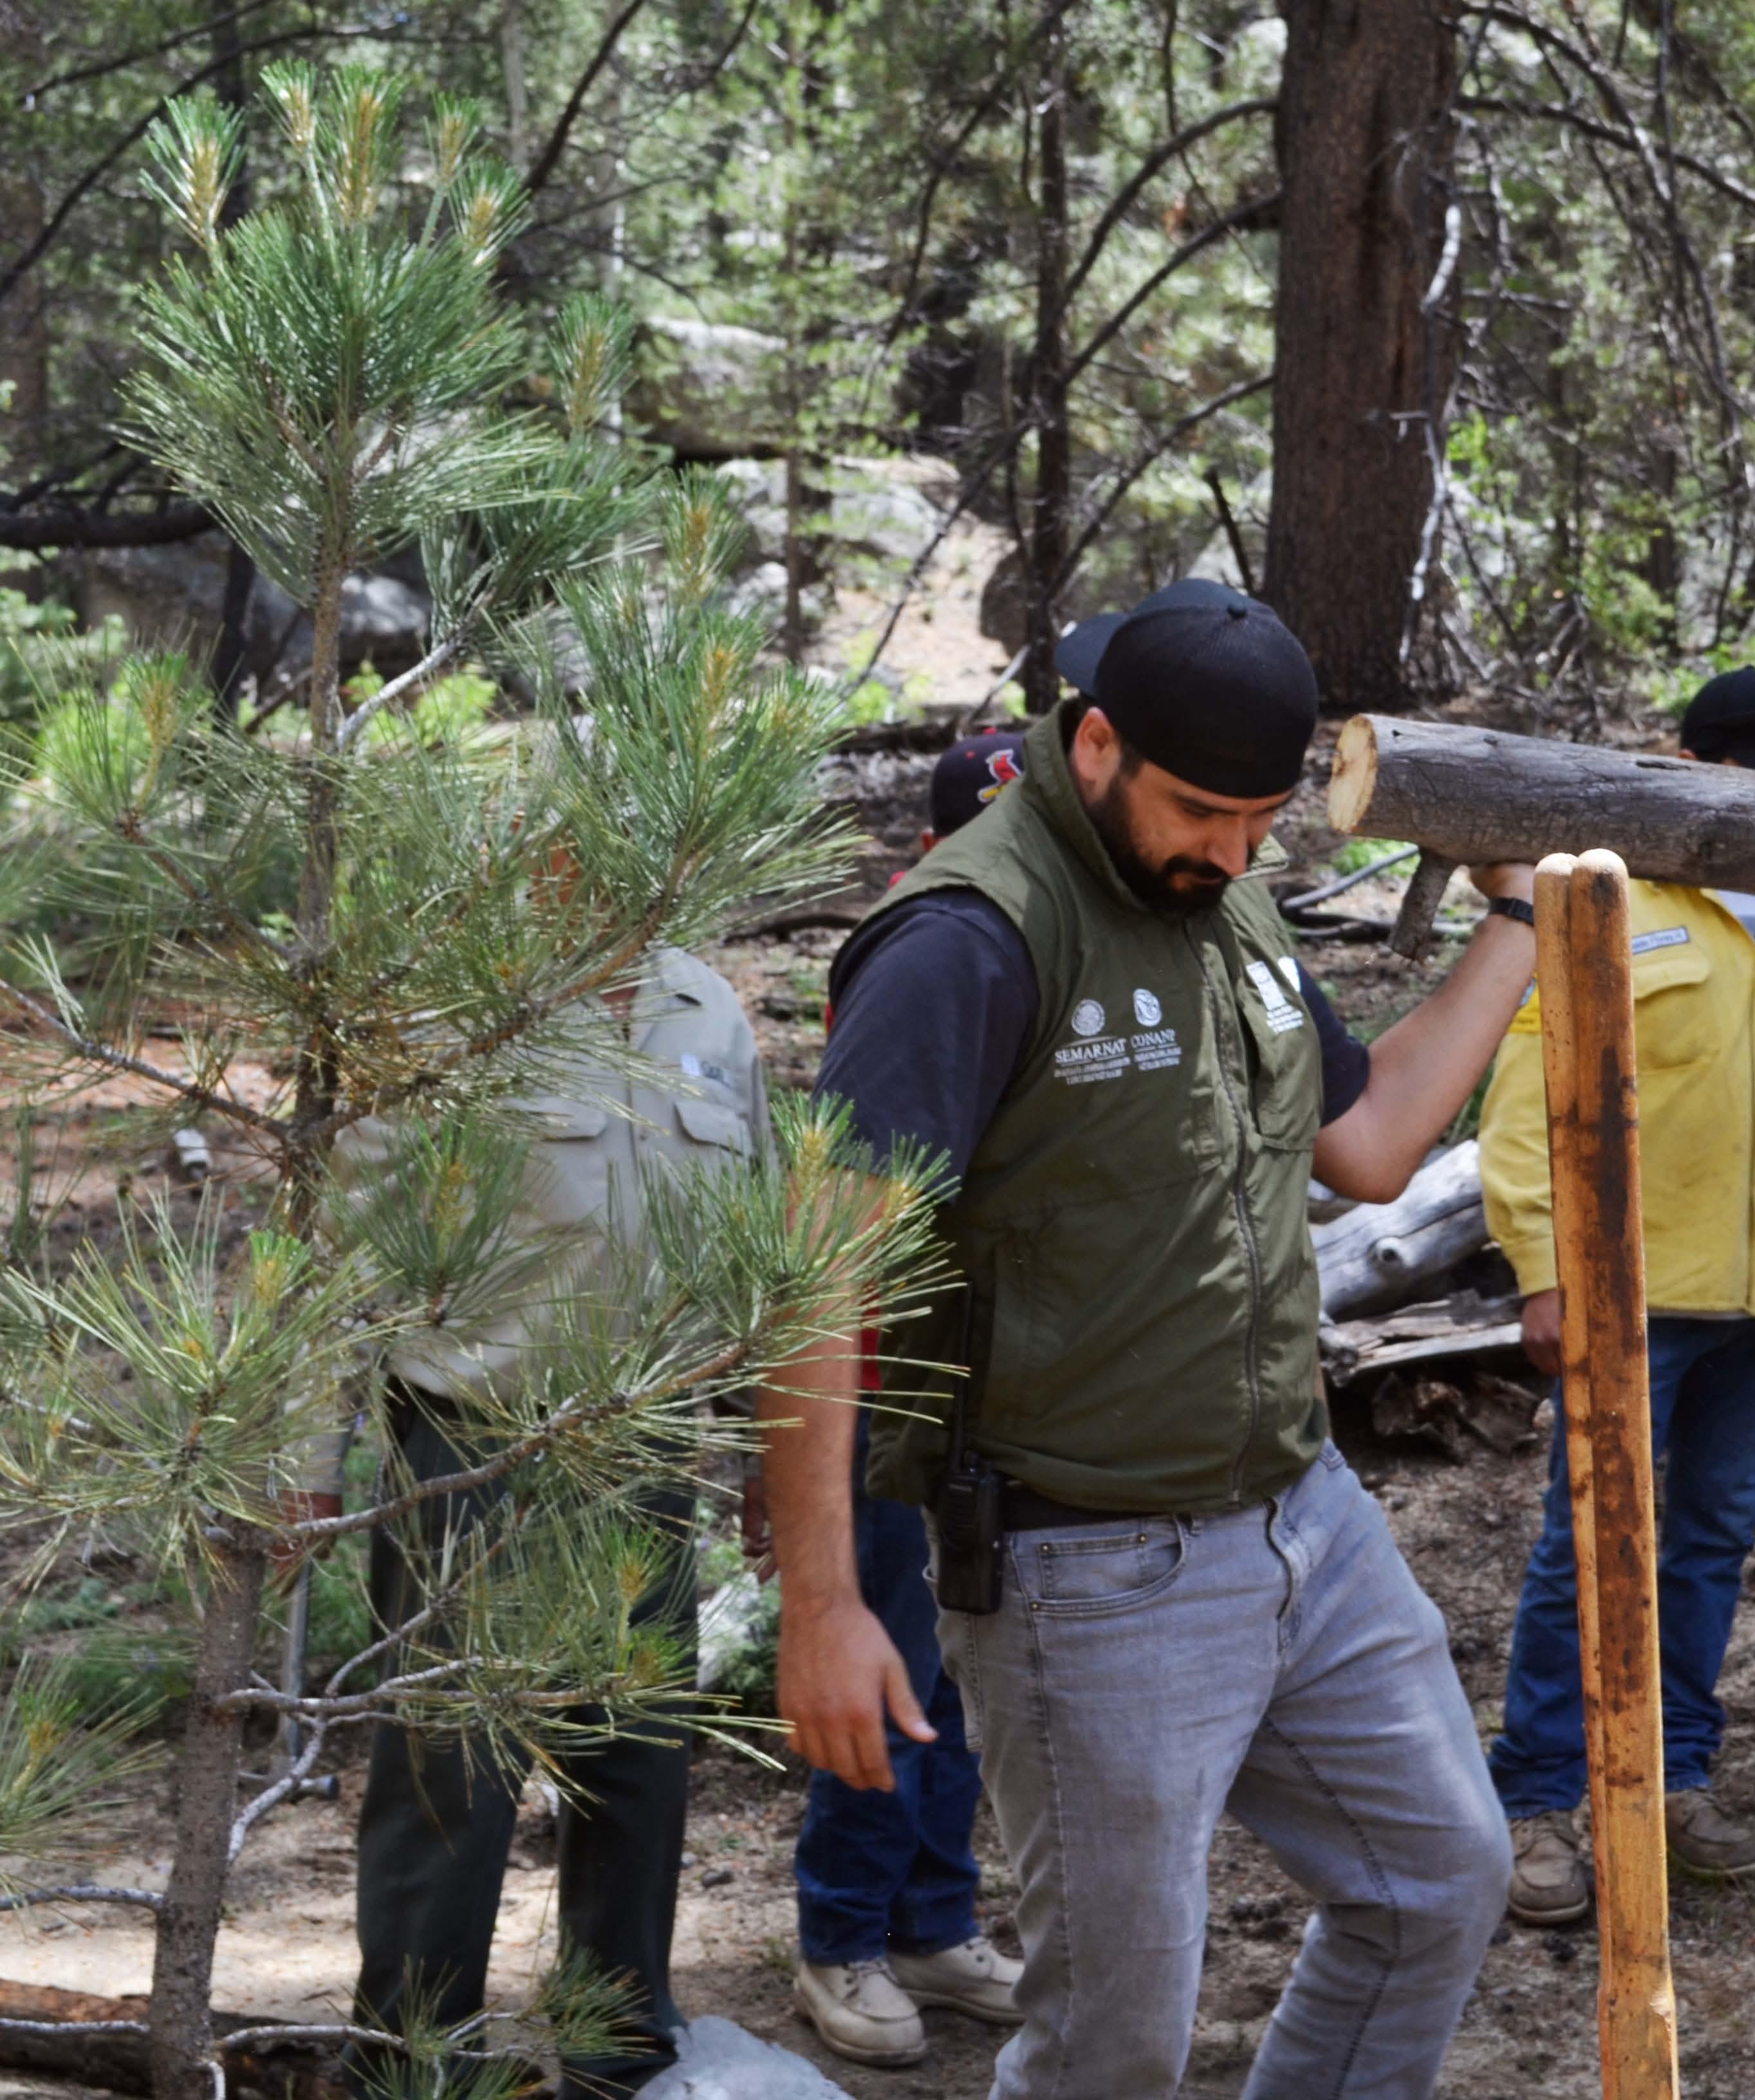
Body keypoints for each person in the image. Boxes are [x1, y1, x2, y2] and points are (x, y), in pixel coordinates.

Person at [757, 578, 1541, 2099]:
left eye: (1262, 822)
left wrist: (1518, 922)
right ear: (1097, 742)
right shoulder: (965, 941)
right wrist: (823, 1602)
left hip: (1304, 1518)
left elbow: (1372, 1141)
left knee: (1437, 1881)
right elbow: (811, 1279)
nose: (1232, 853)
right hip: (1086, 1568)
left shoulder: (1221, 893)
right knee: (1112, 2049)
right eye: (1201, 814)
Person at [1476, 667, 1755, 1926]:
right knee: (1586, 1543)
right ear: (1690, 766)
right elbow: (1525, 1101)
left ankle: (1672, 1778)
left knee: (1712, 1539)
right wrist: (1544, 1268)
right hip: (1631, 1299)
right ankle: (1539, 1799)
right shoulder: (1606, 898)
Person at [337, 947, 768, 2100]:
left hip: (648, 1444)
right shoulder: (450, 995)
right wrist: (296, 1462)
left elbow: (760, 1243)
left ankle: (618, 2060)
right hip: (477, 1447)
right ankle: (413, 2065)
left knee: (637, 1761)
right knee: (449, 1782)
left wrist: (768, 1441)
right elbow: (347, 1238)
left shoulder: (706, 1005)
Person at [765, 730, 1029, 2067]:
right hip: (877, 1382)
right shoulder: (920, 953)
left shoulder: (1029, 942)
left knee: (965, 1672)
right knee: (888, 1663)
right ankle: (843, 1934)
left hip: (984, 1385)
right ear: (935, 844)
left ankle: (935, 1918)